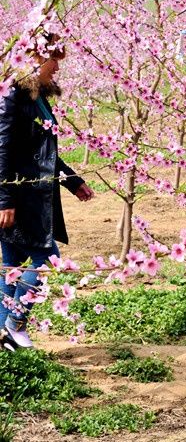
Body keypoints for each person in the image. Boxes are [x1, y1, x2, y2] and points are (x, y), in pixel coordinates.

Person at [0, 33, 95, 351]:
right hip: (19, 195)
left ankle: (3, 334)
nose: (57, 67)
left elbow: (41, 148)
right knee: (47, 257)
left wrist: (71, 179)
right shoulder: (13, 94)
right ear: (36, 58)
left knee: (12, 263)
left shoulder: (35, 95)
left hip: (33, 192)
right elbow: (3, 148)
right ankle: (15, 324)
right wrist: (5, 200)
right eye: (54, 60)